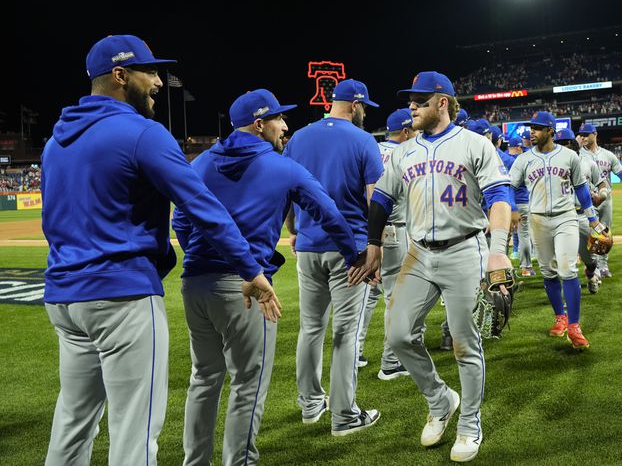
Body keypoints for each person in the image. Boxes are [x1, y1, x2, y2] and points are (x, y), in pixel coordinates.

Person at [41, 34, 278, 466]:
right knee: (135, 431)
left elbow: (51, 222)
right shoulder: (142, 133)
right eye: (149, 71)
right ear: (119, 75)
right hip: (121, 298)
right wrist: (251, 269)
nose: (158, 81)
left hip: (64, 300)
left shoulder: (55, 142)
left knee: (74, 423)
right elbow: (204, 208)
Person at [172, 89, 360, 465]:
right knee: (247, 386)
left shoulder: (202, 162)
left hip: (195, 283)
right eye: (278, 119)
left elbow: (180, 220)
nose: (284, 126)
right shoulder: (284, 166)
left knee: (204, 380)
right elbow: (330, 215)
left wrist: (201, 253)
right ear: (259, 124)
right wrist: (354, 255)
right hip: (245, 286)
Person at [349, 71, 513, 462]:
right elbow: (382, 201)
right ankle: (441, 400)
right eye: (411, 100)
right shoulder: (404, 151)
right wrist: (373, 245)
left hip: (463, 250)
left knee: (463, 343)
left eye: (420, 101)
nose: (411, 106)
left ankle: (470, 423)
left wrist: (498, 249)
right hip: (418, 252)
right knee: (399, 335)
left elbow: (500, 194)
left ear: (443, 103)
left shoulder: (474, 144)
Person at [284, 78, 383, 436]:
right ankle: (344, 415)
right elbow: (375, 199)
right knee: (345, 333)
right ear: (355, 105)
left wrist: (294, 230)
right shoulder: (363, 139)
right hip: (350, 251)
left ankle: (310, 404)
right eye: (363, 108)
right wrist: (376, 246)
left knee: (311, 328)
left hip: (308, 246)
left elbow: (288, 191)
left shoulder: (298, 137)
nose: (363, 114)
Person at [509, 112, 602, 350]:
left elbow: (581, 189)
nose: (532, 132)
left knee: (567, 269)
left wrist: (592, 219)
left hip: (566, 218)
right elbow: (510, 187)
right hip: (538, 220)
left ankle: (574, 325)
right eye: (531, 128)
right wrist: (510, 208)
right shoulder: (524, 160)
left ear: (550, 131)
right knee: (549, 272)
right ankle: (559, 316)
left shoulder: (569, 156)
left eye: (538, 128)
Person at [357, 109, 416, 380]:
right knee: (397, 295)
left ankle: (356, 353)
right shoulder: (407, 153)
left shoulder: (372, 147)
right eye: (413, 130)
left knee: (369, 296)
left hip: (366, 230)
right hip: (394, 232)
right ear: (405, 132)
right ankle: (391, 362)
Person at [577, 123, 622, 278]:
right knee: (588, 234)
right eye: (581, 135)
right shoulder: (577, 155)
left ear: (595, 134)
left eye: (587, 134)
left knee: (605, 234)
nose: (584, 137)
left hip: (606, 200)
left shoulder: (608, 155)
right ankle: (592, 265)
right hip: (587, 201)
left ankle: (603, 265)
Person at [554, 128, 607, 294]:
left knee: (589, 259)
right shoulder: (553, 165)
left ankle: (591, 273)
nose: (563, 146)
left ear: (573, 144)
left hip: (583, 215)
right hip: (562, 216)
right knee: (562, 259)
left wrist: (602, 195)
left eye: (566, 143)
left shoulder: (587, 163)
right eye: (560, 143)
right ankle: (566, 293)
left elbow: (601, 183)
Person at [507, 137, 536, 277]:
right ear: (519, 147)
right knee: (524, 235)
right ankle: (526, 267)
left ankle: (503, 270)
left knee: (503, 236)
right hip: (523, 202)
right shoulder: (525, 160)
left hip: (505, 203)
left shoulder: (502, 159)